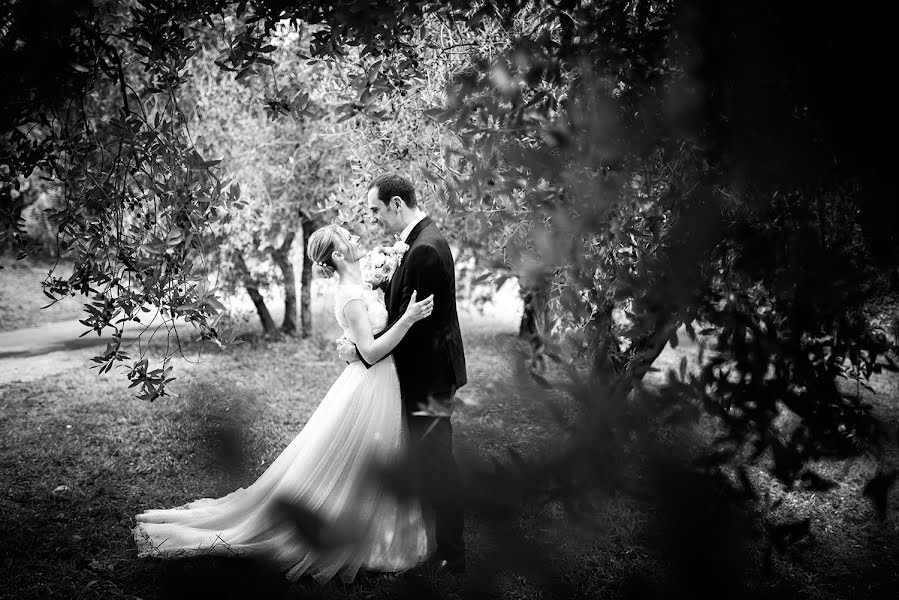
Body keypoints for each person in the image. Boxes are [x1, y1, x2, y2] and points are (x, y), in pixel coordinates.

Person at [133, 224, 436, 584]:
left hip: (378, 380)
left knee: (372, 457)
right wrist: (408, 318)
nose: (356, 238)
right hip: (372, 383)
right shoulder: (352, 295)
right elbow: (370, 351)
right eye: (348, 238)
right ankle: (361, 536)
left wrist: (353, 341)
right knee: (366, 457)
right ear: (338, 255)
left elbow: (360, 343)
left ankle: (380, 530)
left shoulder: (362, 286)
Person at [338, 173, 467, 574]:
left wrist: (365, 353)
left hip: (427, 375)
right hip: (422, 371)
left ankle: (451, 552)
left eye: (376, 210)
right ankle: (435, 540)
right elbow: (403, 317)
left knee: (437, 461)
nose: (373, 219)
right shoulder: (417, 242)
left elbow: (419, 329)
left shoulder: (425, 250)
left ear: (397, 204)